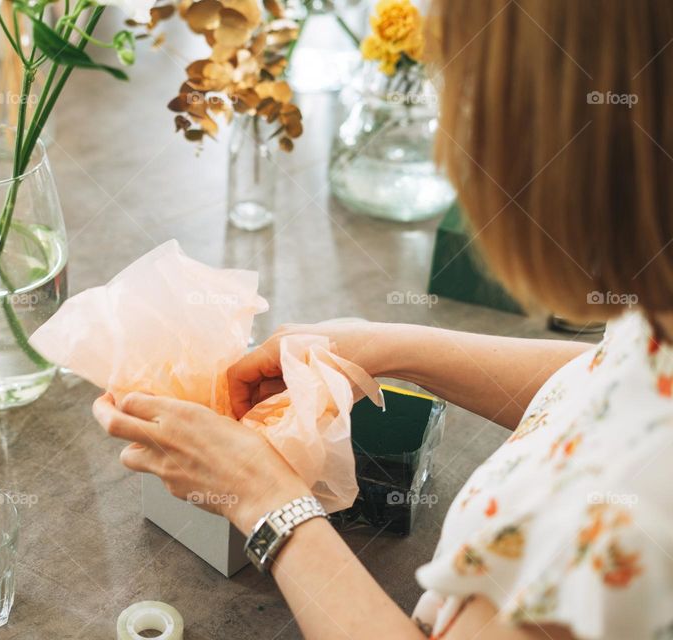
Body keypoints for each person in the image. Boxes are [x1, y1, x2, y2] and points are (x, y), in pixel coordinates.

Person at [92, 1, 673, 638]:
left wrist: (263, 502)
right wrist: (391, 346)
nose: (453, 151)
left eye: (469, 101)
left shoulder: (628, 532)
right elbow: (618, 381)